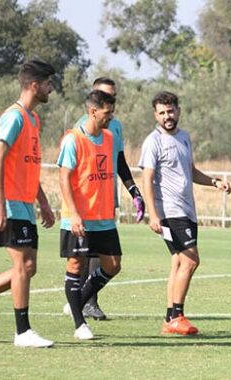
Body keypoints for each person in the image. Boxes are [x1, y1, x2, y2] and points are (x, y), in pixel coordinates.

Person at [139, 91, 231, 335]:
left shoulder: (184, 138)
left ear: (178, 111)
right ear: (155, 115)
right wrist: (153, 213)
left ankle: (170, 317)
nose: (167, 116)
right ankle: (177, 315)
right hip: (170, 211)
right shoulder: (153, 141)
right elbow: (147, 179)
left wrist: (214, 182)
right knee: (191, 260)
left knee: (179, 262)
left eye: (170, 111)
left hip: (186, 210)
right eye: (162, 113)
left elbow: (191, 171)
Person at [0, 60, 57, 348]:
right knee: (21, 266)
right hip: (10, 203)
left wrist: (43, 202)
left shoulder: (34, 120)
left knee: (28, 268)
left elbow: (29, 165)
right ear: (33, 85)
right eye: (48, 83)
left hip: (25, 204)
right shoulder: (13, 117)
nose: (51, 89)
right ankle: (22, 331)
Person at [62, 77, 145, 321]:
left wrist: (133, 190)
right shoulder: (80, 130)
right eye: (106, 97)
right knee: (86, 256)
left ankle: (82, 300)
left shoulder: (114, 127)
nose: (111, 105)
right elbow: (69, 173)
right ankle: (86, 304)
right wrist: (74, 211)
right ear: (94, 103)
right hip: (84, 206)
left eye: (114, 97)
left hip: (106, 200)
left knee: (110, 261)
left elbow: (118, 161)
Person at [58, 90, 123, 340]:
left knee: (113, 265)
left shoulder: (109, 137)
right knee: (76, 265)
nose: (110, 117)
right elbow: (64, 177)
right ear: (93, 111)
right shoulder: (73, 139)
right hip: (79, 218)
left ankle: (77, 300)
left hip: (104, 218)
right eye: (107, 113)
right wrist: (74, 214)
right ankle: (79, 323)